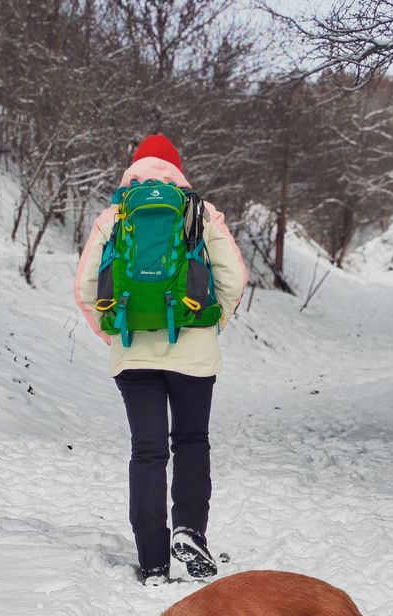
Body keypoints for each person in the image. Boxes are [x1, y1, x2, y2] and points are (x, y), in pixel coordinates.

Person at [74, 134, 248, 586]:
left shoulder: (114, 216)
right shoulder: (200, 211)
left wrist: (113, 333)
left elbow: (86, 287)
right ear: (177, 168)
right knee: (191, 442)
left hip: (133, 355)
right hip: (194, 351)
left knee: (147, 452)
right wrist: (213, 323)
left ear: (133, 169)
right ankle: (190, 530)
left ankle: (152, 559)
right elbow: (235, 274)